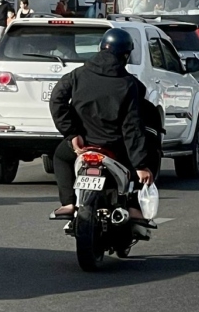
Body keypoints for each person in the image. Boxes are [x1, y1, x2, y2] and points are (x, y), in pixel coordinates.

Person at [48, 28, 154, 220]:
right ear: (126, 54)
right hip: (116, 147)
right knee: (147, 157)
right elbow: (132, 126)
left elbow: (57, 100)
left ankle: (68, 203)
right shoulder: (129, 84)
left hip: (83, 144)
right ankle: (133, 207)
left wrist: (72, 135)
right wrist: (140, 165)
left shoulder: (78, 75)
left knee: (61, 157)